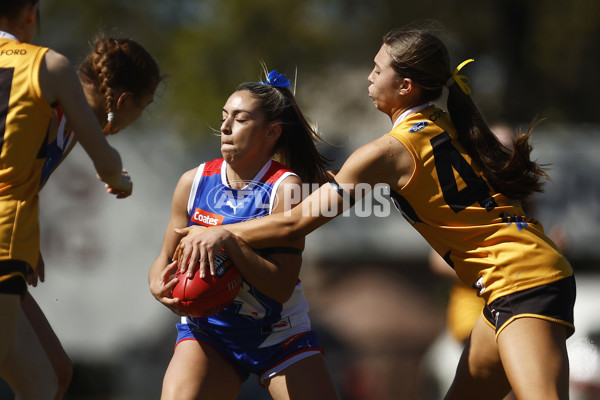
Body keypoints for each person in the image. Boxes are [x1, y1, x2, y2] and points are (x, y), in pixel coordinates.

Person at [174, 28, 576, 400]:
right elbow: (335, 183)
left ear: (405, 86)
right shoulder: (443, 124)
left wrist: (224, 234)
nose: (369, 76)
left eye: (377, 68)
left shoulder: (388, 151)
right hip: (515, 280)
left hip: (522, 282)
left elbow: (297, 221)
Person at [149, 69, 339, 400]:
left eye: (240, 119)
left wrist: (229, 241)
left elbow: (281, 286)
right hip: (209, 333)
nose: (224, 127)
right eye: (224, 117)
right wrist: (156, 283)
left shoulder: (285, 188)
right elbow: (164, 259)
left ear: (271, 132)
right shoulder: (192, 182)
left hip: (280, 334)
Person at [0, 1, 138, 398]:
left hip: (14, 239)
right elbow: (108, 164)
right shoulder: (45, 69)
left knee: (49, 377)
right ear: (30, 12)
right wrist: (118, 178)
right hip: (4, 236)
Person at [19, 36, 160, 400]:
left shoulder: (72, 127)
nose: (135, 119)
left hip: (9, 247)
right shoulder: (50, 108)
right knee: (45, 376)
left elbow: (26, 185)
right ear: (124, 101)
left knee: (54, 372)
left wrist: (28, 240)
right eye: (143, 107)